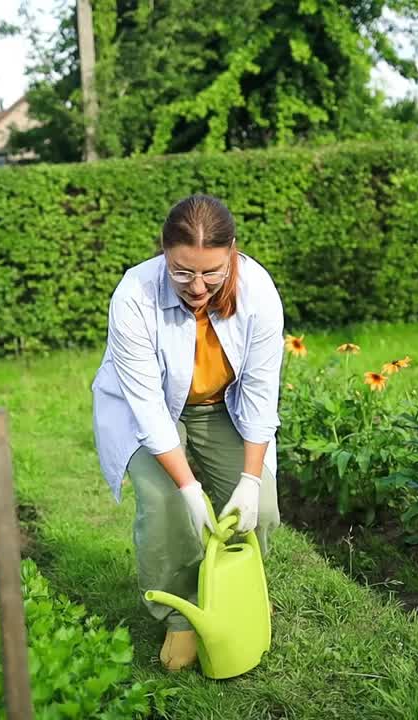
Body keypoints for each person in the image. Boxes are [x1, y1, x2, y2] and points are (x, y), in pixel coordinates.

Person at [91, 193, 284, 672]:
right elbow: (151, 410)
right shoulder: (133, 295)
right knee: (166, 504)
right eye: (182, 271)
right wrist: (188, 486)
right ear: (163, 251)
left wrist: (250, 480)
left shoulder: (258, 293)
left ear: (232, 253)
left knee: (257, 507)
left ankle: (241, 592)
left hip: (222, 405)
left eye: (211, 273)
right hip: (150, 410)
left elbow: (261, 396)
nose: (197, 286)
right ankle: (180, 615)